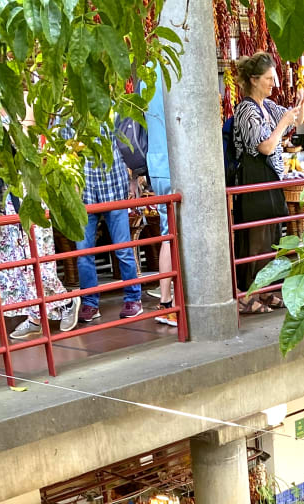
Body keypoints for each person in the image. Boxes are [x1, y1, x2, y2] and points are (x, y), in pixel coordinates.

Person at [232, 52, 304, 313]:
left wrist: (301, 102)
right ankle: (248, 295)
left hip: (271, 178)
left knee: (272, 237)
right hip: (254, 179)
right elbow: (265, 146)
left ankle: (266, 291)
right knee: (256, 238)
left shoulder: (269, 106)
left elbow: (296, 120)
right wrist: (282, 125)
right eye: (268, 79)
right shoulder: (246, 109)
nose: (272, 84)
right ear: (253, 80)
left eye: (273, 78)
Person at [75, 129, 143, 324]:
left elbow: (125, 143)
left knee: (123, 249)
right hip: (84, 192)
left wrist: (133, 179)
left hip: (113, 185)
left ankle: (133, 298)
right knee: (83, 253)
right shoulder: (68, 112)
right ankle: (89, 302)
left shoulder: (110, 105)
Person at [0, 215, 80, 340]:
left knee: (39, 263)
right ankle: (34, 318)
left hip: (30, 206)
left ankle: (67, 302)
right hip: (6, 213)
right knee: (16, 268)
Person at [142, 71, 178, 327]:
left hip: (156, 164)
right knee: (174, 235)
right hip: (175, 163)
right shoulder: (174, 72)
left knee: (168, 233)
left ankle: (166, 300)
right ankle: (169, 302)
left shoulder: (145, 76)